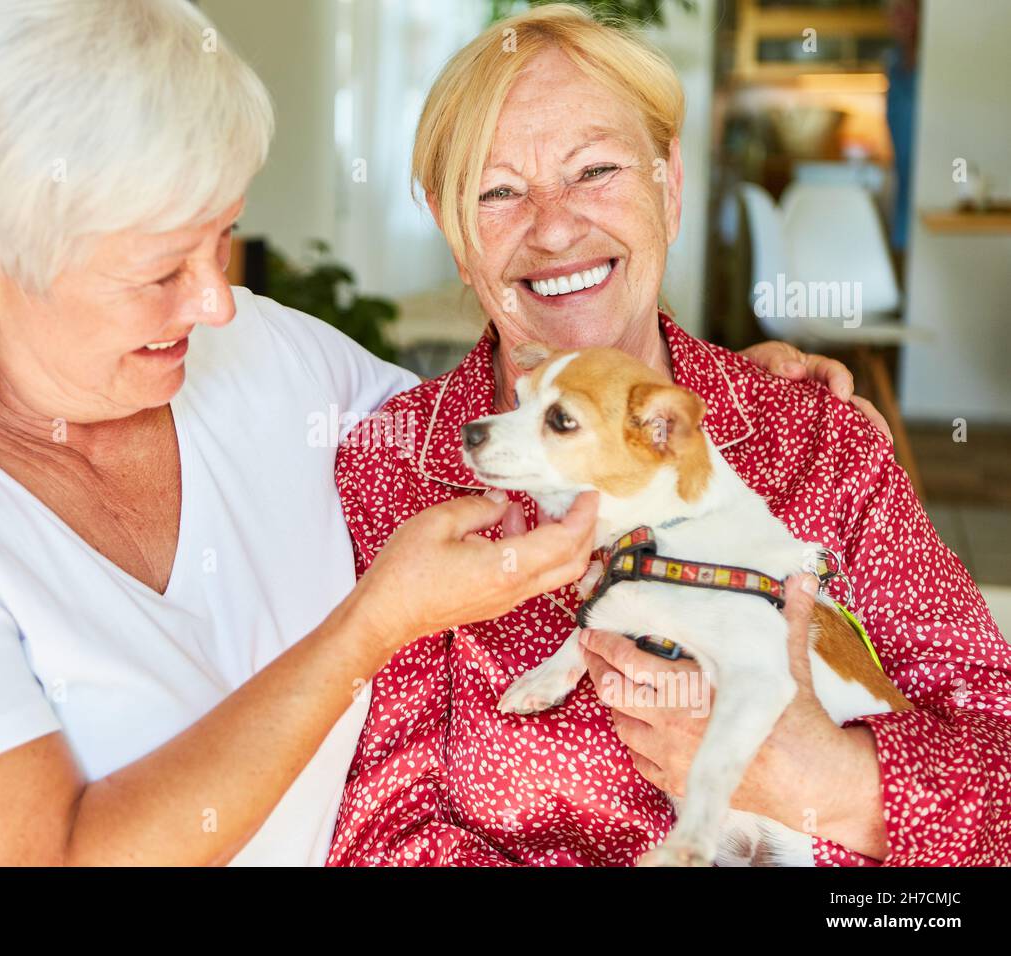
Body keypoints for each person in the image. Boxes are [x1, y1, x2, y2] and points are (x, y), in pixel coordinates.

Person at [0, 0, 885, 866]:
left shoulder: (253, 355)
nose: (217, 300)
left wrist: (718, 391)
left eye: (224, 236)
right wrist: (366, 626)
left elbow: (494, 424)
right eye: (158, 267)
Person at [327, 4, 1010, 867]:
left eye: (595, 169)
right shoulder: (393, 473)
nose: (553, 225)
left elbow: (1000, 758)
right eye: (498, 191)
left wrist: (829, 781)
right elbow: (382, 837)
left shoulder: (818, 444)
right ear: (452, 232)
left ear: (670, 185)